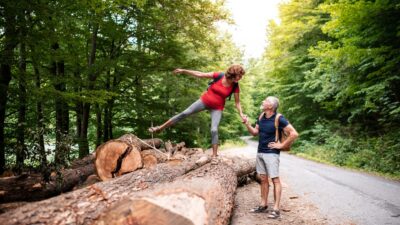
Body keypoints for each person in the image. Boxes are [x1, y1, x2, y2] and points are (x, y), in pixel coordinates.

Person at [148, 64, 247, 162]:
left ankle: (214, 156)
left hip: (217, 108)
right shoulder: (219, 75)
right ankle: (159, 128)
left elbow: (237, 102)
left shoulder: (235, 86)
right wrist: (184, 70)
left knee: (214, 129)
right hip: (204, 101)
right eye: (240, 75)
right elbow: (200, 74)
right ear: (234, 73)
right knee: (184, 113)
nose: (241, 78)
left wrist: (241, 114)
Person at [243, 96, 298, 219]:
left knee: (275, 180)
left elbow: (294, 133)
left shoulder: (279, 118)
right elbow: (254, 132)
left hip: (272, 153)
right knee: (263, 179)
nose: (263, 101)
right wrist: (247, 123)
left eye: (266, 101)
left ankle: (276, 209)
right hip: (260, 152)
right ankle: (263, 205)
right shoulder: (261, 116)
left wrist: (281, 145)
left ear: (271, 106)